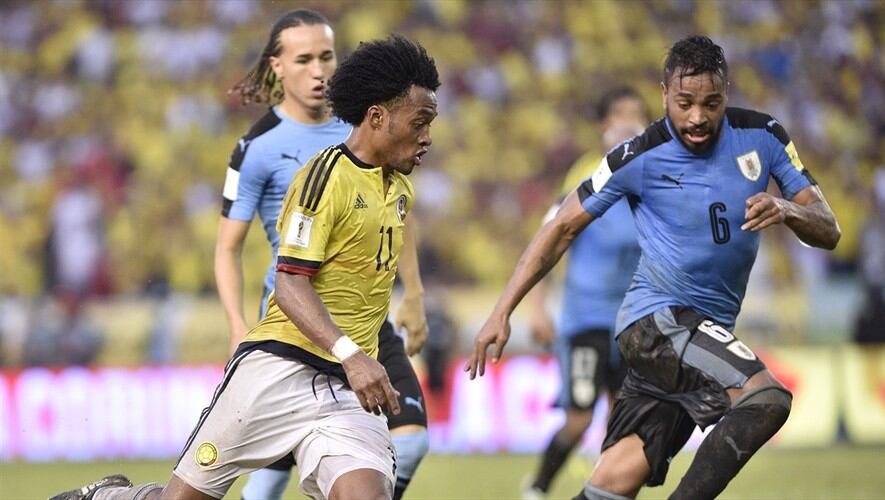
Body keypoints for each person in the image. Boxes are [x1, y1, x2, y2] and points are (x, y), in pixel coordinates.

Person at [51, 34, 440, 500]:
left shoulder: (399, 190)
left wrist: (400, 311)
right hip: (279, 367)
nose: (427, 136)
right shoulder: (324, 179)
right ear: (378, 116)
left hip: (346, 391)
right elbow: (290, 283)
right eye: (420, 122)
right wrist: (351, 354)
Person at [467, 35, 840, 500]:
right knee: (766, 399)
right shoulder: (636, 156)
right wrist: (504, 309)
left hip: (698, 332)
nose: (698, 117)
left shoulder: (764, 137)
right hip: (658, 321)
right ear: (664, 94)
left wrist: (789, 210)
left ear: (727, 91)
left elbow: (829, 228)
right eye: (684, 103)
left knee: (616, 478)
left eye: (712, 102)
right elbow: (560, 228)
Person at [215, 10, 430, 500]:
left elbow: (398, 213)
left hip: (369, 324)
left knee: (412, 443)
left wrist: (413, 295)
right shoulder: (256, 147)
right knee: (266, 482)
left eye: (327, 57)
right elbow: (227, 249)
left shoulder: (366, 126)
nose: (319, 70)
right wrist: (235, 327)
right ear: (277, 68)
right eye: (304, 59)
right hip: (297, 321)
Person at [522, 87, 648, 500]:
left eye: (638, 115)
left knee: (625, 420)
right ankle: (537, 487)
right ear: (604, 126)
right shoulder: (588, 176)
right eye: (621, 115)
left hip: (631, 320)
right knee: (579, 418)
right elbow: (549, 239)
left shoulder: (654, 179)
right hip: (586, 318)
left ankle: (606, 491)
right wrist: (538, 308)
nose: (630, 124)